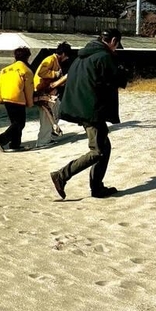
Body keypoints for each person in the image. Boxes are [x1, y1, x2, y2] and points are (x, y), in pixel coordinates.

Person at [50, 29, 127, 199]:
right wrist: (122, 68)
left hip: (81, 107)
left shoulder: (82, 57)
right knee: (97, 151)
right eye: (117, 45)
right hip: (92, 110)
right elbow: (119, 80)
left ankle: (97, 187)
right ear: (113, 40)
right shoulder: (104, 57)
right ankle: (61, 175)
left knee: (104, 147)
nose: (116, 48)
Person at [0, 47, 34, 152]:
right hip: (17, 97)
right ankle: (2, 139)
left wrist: (0, 97)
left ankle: (15, 144)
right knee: (20, 123)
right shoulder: (26, 71)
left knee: (15, 123)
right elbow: (29, 89)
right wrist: (30, 103)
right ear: (27, 57)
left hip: (6, 97)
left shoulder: (5, 70)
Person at [34, 42, 72, 149]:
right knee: (46, 118)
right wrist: (55, 74)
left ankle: (50, 134)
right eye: (67, 56)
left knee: (58, 111)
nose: (67, 58)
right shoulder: (50, 59)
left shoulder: (56, 61)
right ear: (63, 54)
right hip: (42, 92)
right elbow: (41, 72)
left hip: (50, 93)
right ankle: (42, 141)